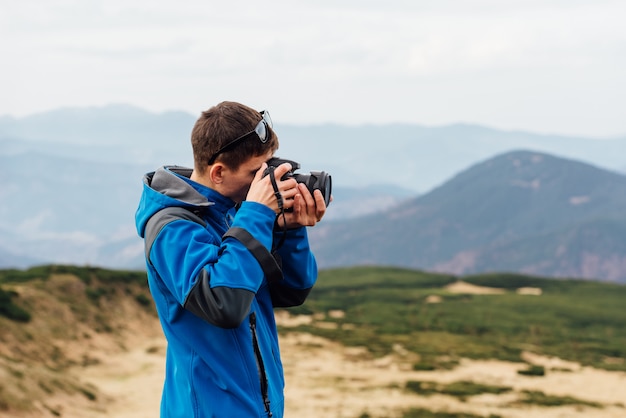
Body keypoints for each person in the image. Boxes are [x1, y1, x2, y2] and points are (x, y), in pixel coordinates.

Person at [134, 101, 328, 417]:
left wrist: (286, 230)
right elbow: (223, 302)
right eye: (256, 173)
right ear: (219, 172)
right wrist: (256, 214)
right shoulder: (172, 227)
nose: (266, 184)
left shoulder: (232, 213)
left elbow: (291, 290)